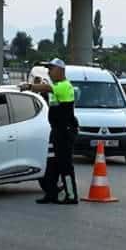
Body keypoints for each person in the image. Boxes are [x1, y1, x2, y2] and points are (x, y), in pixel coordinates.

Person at [20, 58, 79, 204]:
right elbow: (51, 100)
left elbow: (47, 89)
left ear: (60, 71)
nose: (49, 72)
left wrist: (30, 86)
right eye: (48, 69)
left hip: (65, 132)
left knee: (65, 165)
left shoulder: (64, 86)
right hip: (56, 131)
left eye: (51, 69)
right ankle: (51, 193)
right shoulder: (56, 86)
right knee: (52, 164)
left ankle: (71, 196)